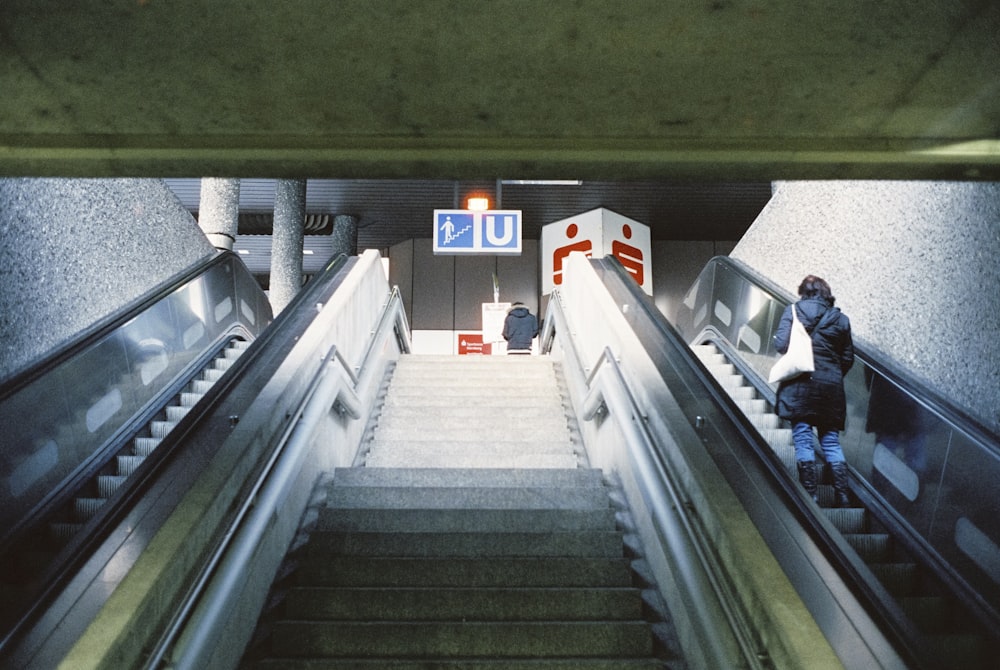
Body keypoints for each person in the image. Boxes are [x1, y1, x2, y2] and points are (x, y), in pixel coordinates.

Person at [773, 275, 854, 507]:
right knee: (830, 441)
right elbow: (847, 358)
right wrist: (831, 376)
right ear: (826, 293)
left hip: (801, 384)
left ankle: (811, 495)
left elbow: (781, 345)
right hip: (831, 389)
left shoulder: (794, 311)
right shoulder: (841, 320)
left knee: (803, 438)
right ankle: (843, 496)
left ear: (803, 292)